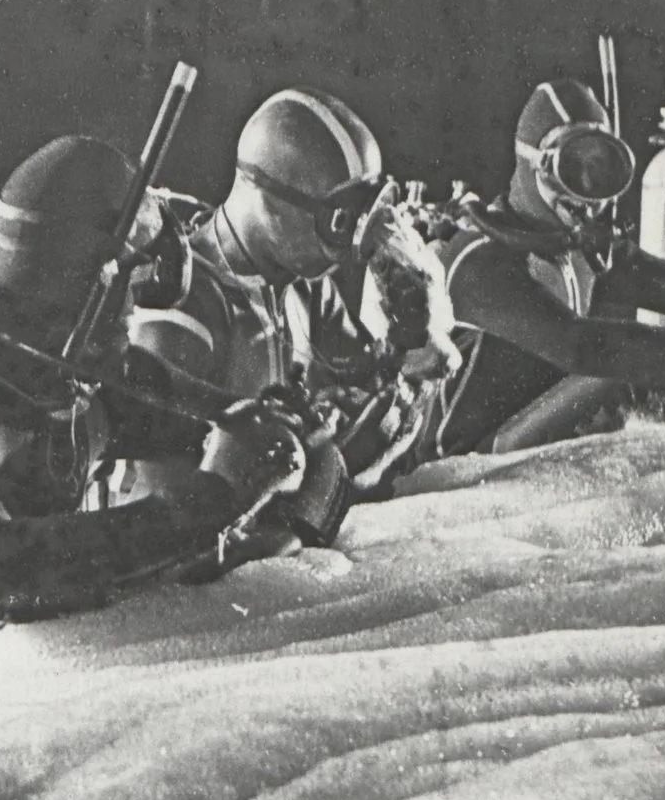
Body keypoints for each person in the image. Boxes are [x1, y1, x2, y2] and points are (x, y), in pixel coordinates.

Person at [0, 133, 311, 673]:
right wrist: (212, 500)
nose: (134, 318)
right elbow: (1, 572)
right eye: (131, 293)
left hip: (2, 698)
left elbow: (235, 421)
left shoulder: (78, 375)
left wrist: (277, 435)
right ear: (90, 281)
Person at [121, 88, 460, 508]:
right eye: (340, 221)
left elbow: (373, 397)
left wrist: (405, 341)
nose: (355, 245)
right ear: (267, 199)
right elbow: (170, 521)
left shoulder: (305, 285)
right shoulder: (182, 310)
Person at [438, 79, 665, 454]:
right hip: (462, 460)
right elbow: (581, 346)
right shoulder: (480, 259)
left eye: (603, 173)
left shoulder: (581, 249)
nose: (587, 194)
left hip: (521, 442)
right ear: (534, 165)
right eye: (574, 169)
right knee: (631, 378)